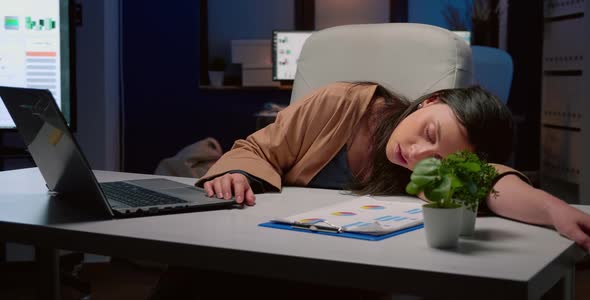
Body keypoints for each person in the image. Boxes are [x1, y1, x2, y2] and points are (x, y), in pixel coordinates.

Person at [199, 81, 590, 252]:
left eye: (439, 160)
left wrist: (554, 209)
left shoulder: (425, 175)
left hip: (351, 264)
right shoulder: (340, 103)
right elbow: (257, 149)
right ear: (429, 100)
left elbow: (490, 181)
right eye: (429, 133)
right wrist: (238, 173)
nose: (418, 155)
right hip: (270, 244)